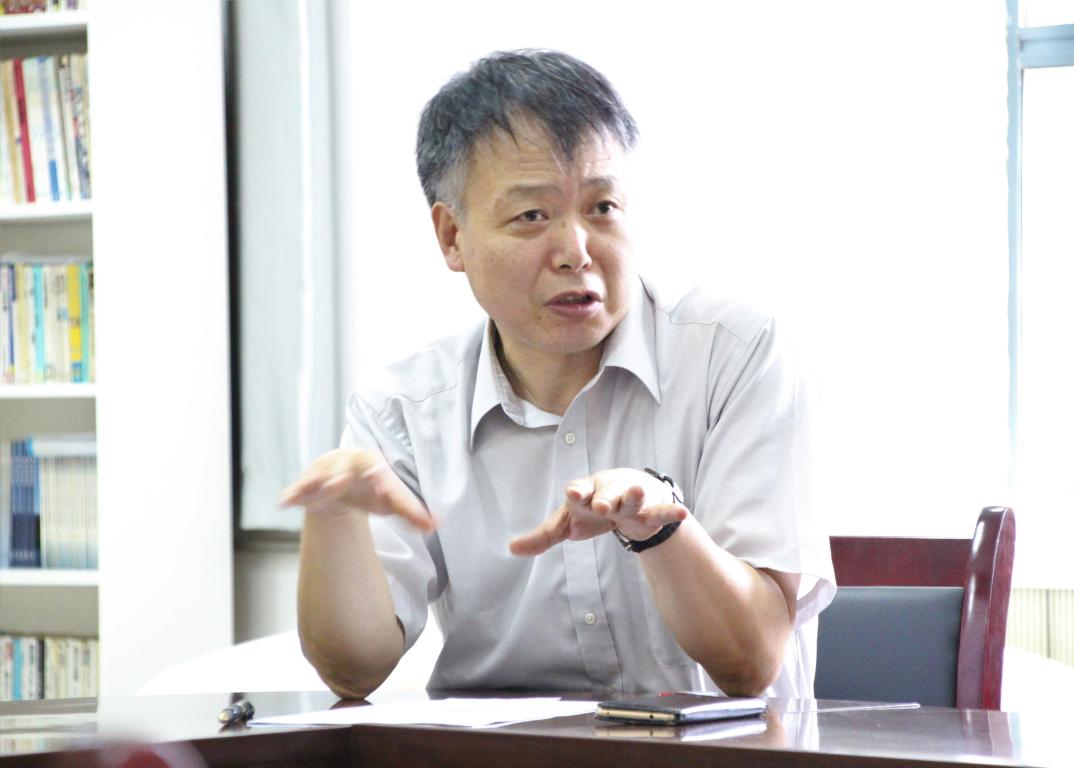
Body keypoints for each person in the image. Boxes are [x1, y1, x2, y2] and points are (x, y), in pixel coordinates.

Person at [281, 49, 835, 700]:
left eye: (602, 208)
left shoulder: (735, 354)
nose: (576, 252)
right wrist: (335, 519)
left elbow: (751, 661)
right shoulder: (403, 406)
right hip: (497, 747)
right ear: (452, 236)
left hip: (719, 747)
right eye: (532, 216)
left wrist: (660, 526)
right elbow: (353, 670)